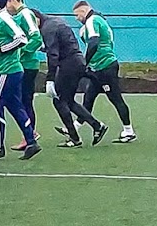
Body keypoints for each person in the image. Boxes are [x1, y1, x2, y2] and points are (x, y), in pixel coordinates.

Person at [36, 9, 108, 147]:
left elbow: (54, 54)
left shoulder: (47, 28)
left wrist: (50, 78)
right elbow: (63, 45)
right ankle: (96, 126)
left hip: (68, 65)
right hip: (76, 61)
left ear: (36, 18)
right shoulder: (57, 21)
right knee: (68, 100)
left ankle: (75, 136)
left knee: (59, 101)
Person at [0, 0, 42, 158]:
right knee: (15, 106)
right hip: (11, 70)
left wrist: (1, 49)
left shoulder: (3, 18)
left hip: (7, 70)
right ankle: (31, 141)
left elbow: (22, 38)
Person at [73, 0, 136, 143]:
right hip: (100, 67)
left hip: (105, 67)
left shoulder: (92, 20)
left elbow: (94, 43)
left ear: (83, 11)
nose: (77, 18)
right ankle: (73, 128)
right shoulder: (99, 19)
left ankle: (129, 131)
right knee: (88, 97)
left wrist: (84, 62)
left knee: (115, 98)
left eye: (77, 15)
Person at [6, 0, 44, 150]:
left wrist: (19, 52)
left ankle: (30, 135)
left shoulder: (25, 14)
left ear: (13, 1)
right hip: (23, 65)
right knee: (20, 100)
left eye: (7, 4)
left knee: (24, 101)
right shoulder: (20, 15)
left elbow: (36, 39)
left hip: (27, 65)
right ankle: (29, 134)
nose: (6, 8)